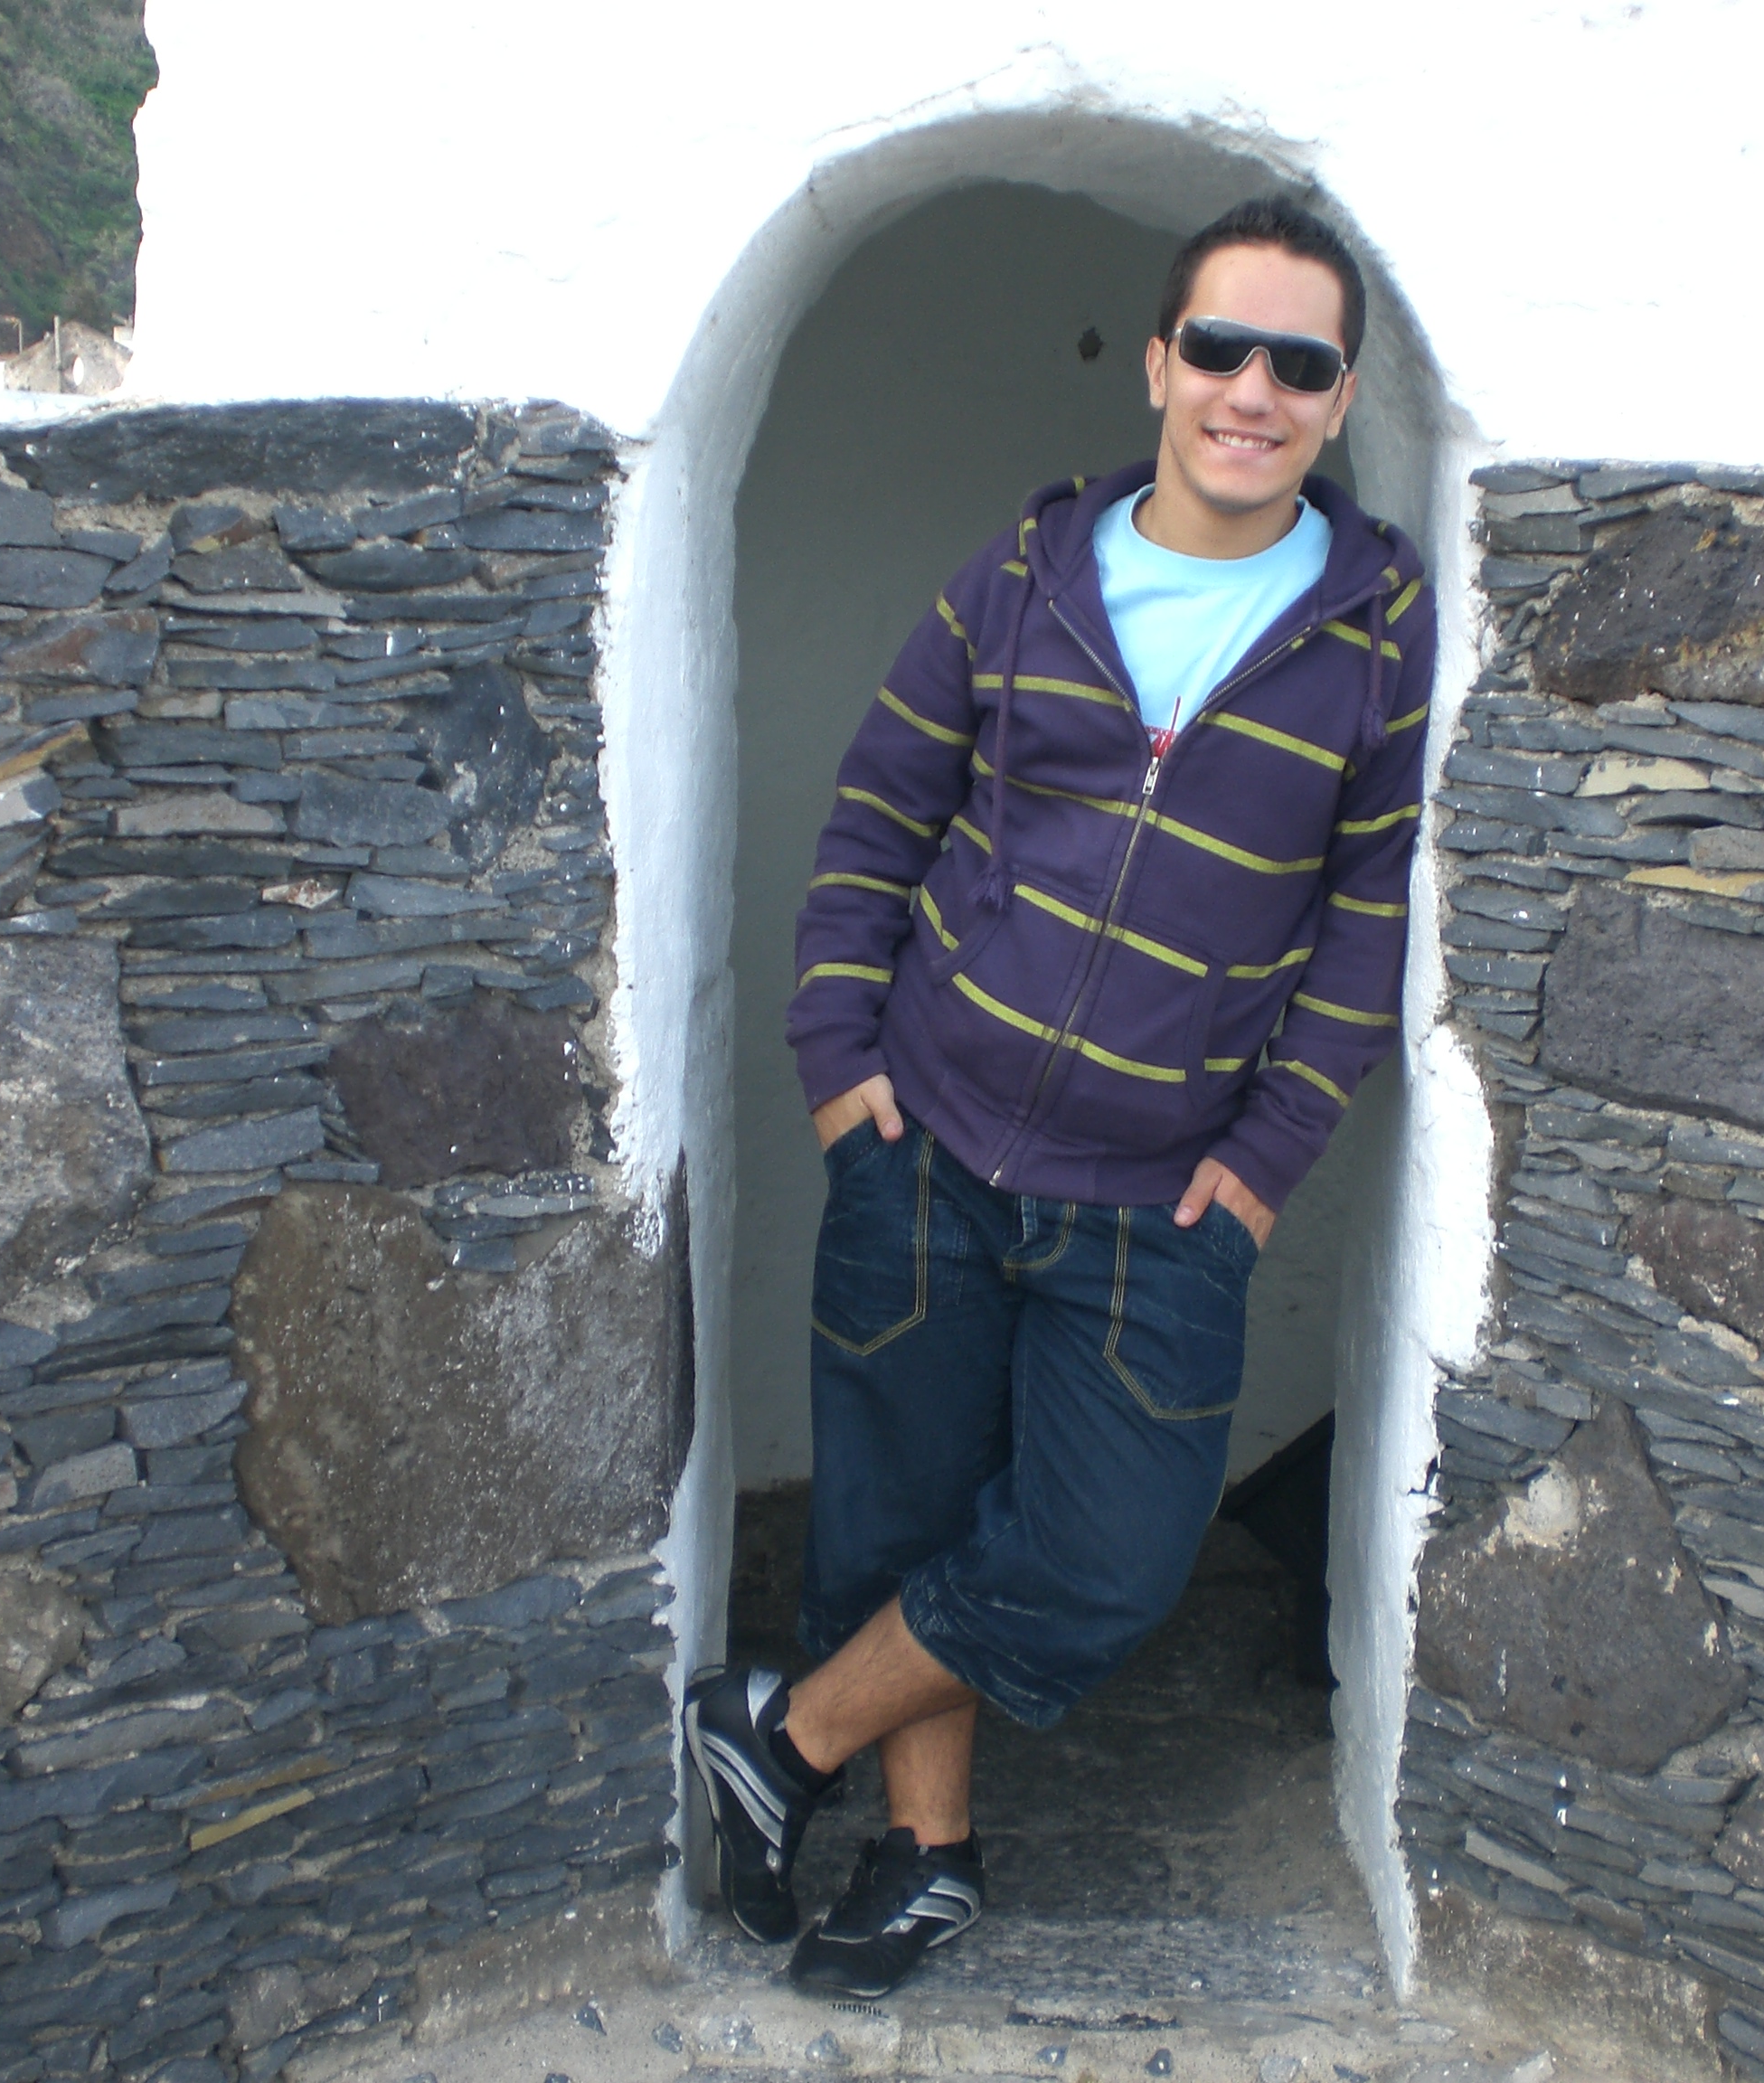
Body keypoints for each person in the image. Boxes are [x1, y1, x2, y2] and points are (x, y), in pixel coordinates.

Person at [684, 195, 1433, 1999]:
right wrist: (839, 1066)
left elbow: (1366, 924)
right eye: (1223, 350)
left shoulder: (1375, 635)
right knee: (898, 1521)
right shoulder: (1024, 579)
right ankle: (926, 1858)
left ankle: (784, 1739)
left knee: (1107, 1558)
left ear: (1339, 402)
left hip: (1162, 1195)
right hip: (925, 1140)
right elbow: (879, 816)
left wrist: (1270, 1157)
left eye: (1301, 365)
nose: (1253, 393)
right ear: (1161, 364)